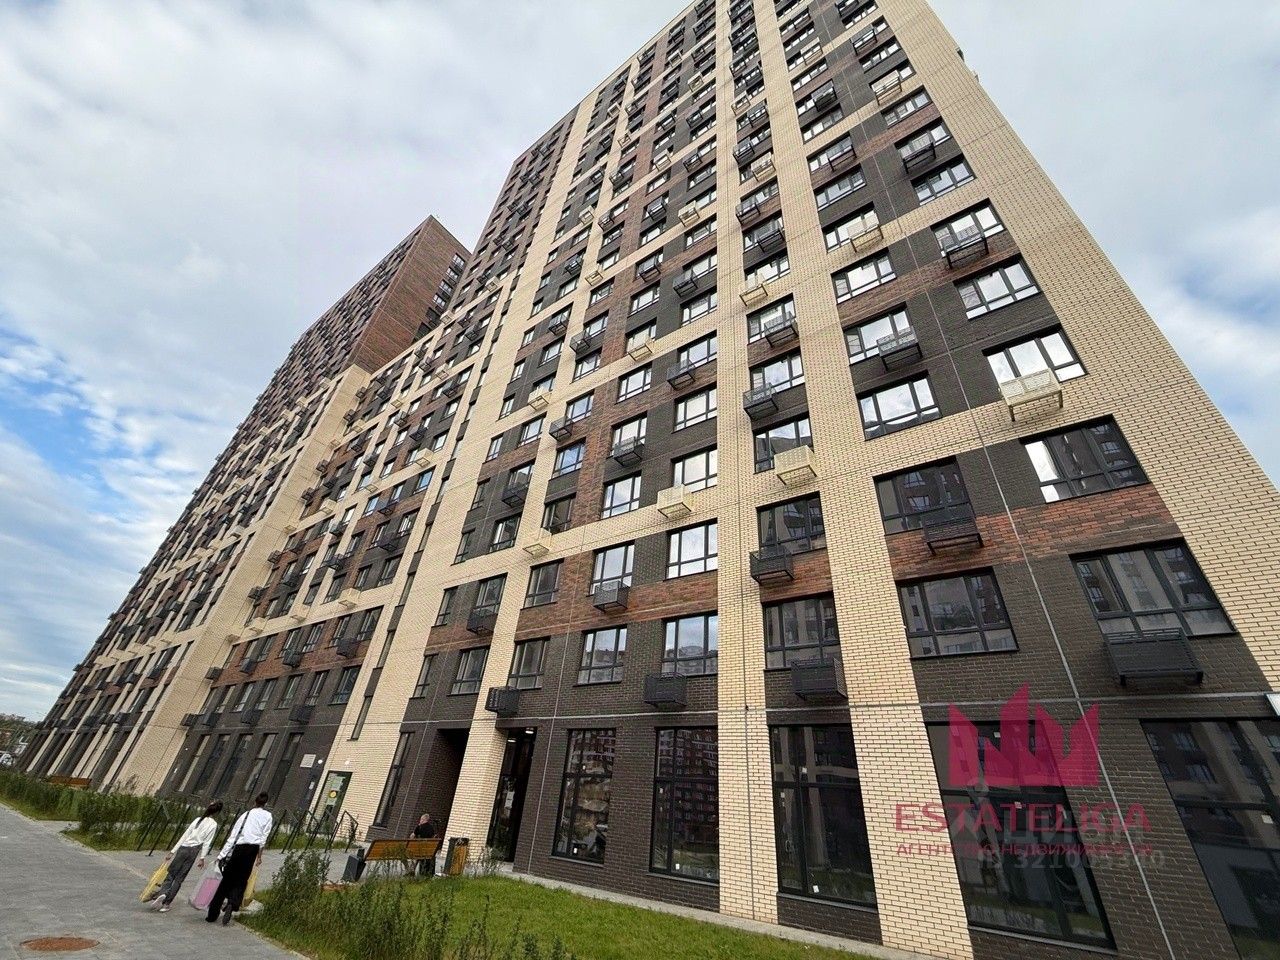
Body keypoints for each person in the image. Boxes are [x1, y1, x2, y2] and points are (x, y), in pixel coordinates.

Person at [206, 792, 273, 926]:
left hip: (239, 848)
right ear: (265, 804)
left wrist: (221, 855)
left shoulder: (246, 815)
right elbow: (263, 838)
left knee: (226, 880)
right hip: (252, 850)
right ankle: (233, 903)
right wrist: (259, 857)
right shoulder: (268, 816)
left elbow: (233, 836)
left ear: (255, 801)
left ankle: (212, 914)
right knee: (242, 880)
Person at [150, 801, 222, 912]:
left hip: (183, 848)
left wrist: (172, 851)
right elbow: (207, 842)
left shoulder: (198, 820)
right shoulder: (213, 824)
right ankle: (166, 904)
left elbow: (185, 835)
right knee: (179, 879)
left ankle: (163, 893)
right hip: (193, 851)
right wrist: (202, 858)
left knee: (171, 874)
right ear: (217, 812)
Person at [412, 812, 437, 877]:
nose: (420, 821)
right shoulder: (431, 828)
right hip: (428, 850)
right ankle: (412, 870)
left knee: (418, 853)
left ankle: (412, 870)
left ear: (423, 820)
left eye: (421, 819)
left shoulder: (420, 827)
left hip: (420, 849)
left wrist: (417, 827)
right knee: (420, 854)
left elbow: (412, 836)